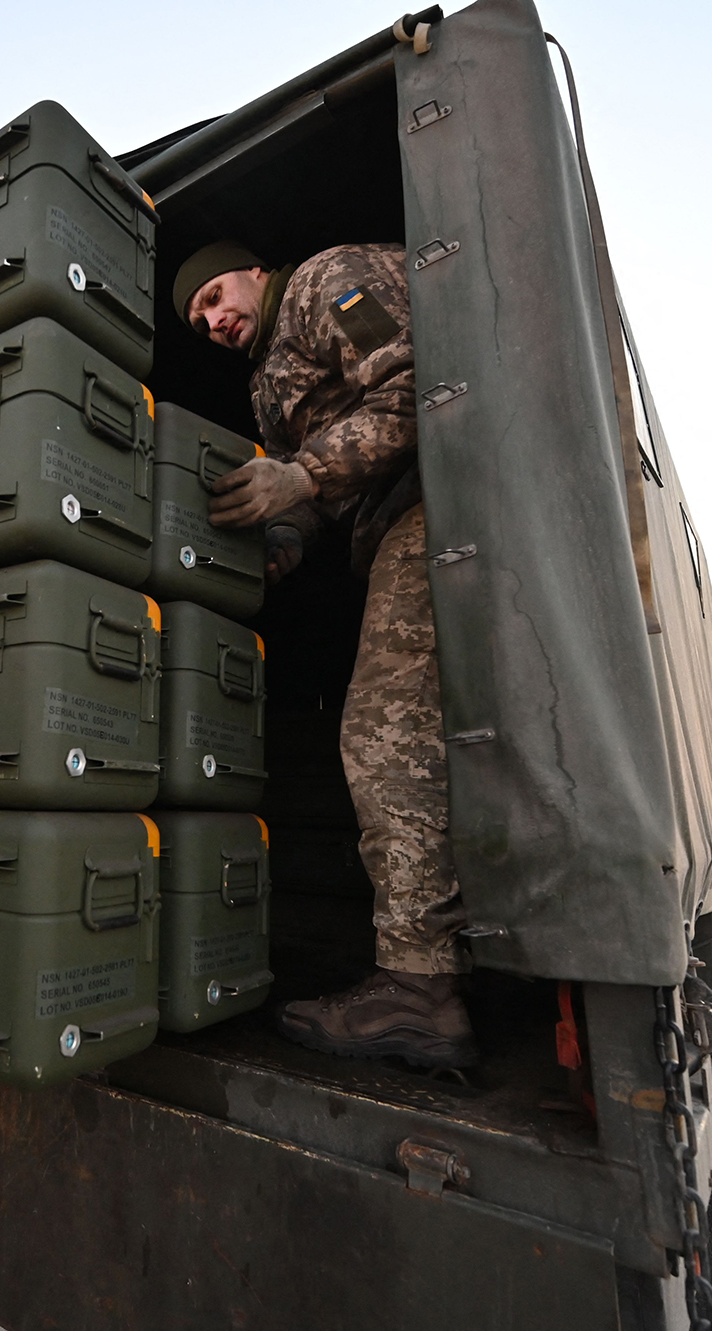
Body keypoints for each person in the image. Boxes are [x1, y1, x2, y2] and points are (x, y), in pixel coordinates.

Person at [176, 239, 476, 1069]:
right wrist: (284, 538)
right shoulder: (267, 384)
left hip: (440, 500)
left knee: (381, 735)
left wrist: (300, 475)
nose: (212, 319)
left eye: (215, 294)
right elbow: (314, 493)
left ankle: (420, 990)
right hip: (390, 524)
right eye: (199, 316)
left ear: (255, 272)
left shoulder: (324, 281)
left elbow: (421, 384)